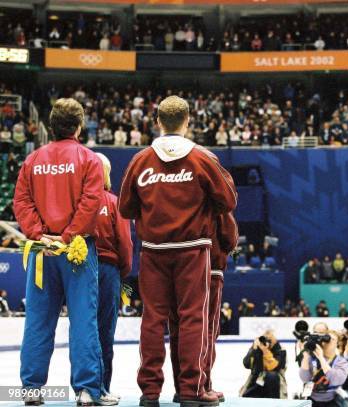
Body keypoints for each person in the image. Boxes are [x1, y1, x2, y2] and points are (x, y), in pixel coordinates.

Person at [119, 95, 237, 407]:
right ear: (187, 122)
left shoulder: (140, 160)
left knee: (152, 319)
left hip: (154, 250)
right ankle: (191, 390)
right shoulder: (201, 159)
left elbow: (126, 208)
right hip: (192, 250)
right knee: (192, 319)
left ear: (157, 122)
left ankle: (149, 392)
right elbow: (228, 202)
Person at [13, 98, 108, 405]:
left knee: (38, 320)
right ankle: (85, 391)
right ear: (80, 126)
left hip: (43, 251)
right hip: (76, 251)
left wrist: (41, 236)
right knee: (82, 320)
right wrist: (67, 238)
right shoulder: (89, 159)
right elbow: (91, 202)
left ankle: (31, 389)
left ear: (51, 126)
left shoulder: (33, 160)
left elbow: (22, 202)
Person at [169, 211, 239, 403]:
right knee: (206, 329)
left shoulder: (184, 193)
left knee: (179, 329)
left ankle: (182, 387)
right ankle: (202, 385)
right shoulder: (216, 201)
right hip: (210, 268)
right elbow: (230, 236)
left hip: (177, 264)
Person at [94, 153, 133, 399]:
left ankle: (84, 387)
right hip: (108, 269)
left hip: (79, 269)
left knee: (83, 330)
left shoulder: (78, 202)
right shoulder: (113, 202)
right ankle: (102, 388)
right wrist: (124, 271)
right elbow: (125, 243)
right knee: (105, 331)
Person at [299, 330, 348, 406]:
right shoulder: (312, 358)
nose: (329, 341)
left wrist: (321, 358)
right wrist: (305, 356)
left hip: (332, 399)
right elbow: (305, 379)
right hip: (312, 399)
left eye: (333, 339)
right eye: (327, 338)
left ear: (337, 343)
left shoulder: (341, 362)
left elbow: (336, 380)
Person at [240, 330, 287, 399]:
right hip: (257, 379)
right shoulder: (257, 349)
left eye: (270, 339)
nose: (267, 342)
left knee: (272, 376)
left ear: (274, 340)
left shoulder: (280, 350)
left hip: (275, 382)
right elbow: (246, 364)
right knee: (245, 396)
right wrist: (254, 349)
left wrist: (265, 351)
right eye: (265, 339)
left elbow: (274, 367)